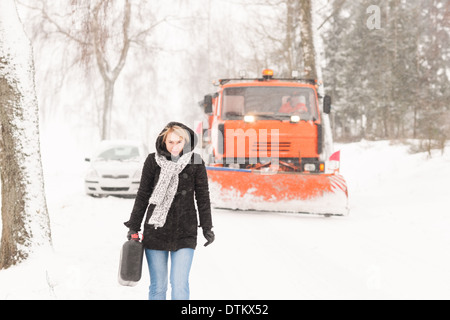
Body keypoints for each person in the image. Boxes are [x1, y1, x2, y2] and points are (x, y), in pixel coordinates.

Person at [124, 122, 214, 300]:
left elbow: (202, 196)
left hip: (185, 230)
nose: (174, 147)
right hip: (156, 230)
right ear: (163, 141)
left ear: (186, 142)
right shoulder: (153, 161)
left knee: (180, 284)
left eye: (178, 142)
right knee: (159, 286)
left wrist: (207, 226)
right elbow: (143, 194)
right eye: (170, 142)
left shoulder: (195, 161)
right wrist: (134, 226)